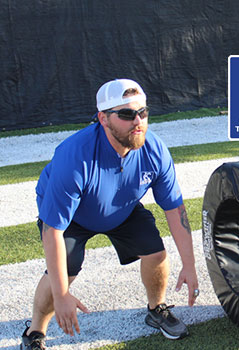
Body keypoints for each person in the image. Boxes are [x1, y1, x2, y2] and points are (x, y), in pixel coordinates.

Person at [20, 79, 199, 350]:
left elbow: (175, 210)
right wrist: (62, 294)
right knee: (62, 271)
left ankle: (156, 309)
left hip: (122, 207)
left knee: (156, 254)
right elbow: (53, 230)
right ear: (103, 118)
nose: (138, 120)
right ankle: (35, 332)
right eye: (127, 114)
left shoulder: (155, 150)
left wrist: (189, 264)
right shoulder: (74, 156)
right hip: (73, 217)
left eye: (143, 112)